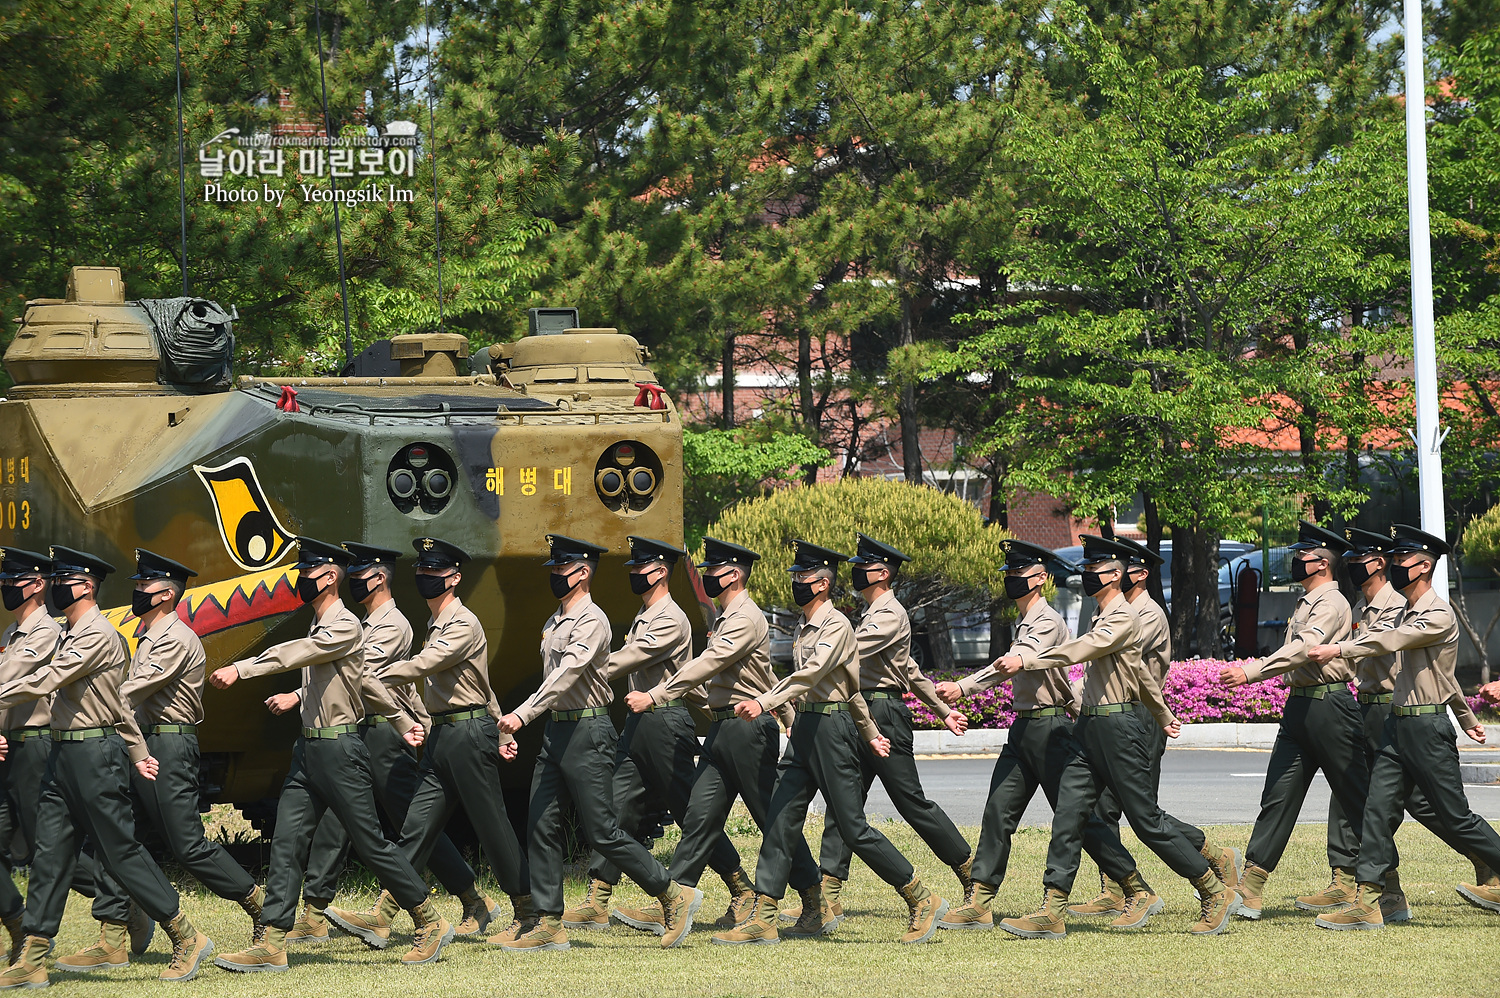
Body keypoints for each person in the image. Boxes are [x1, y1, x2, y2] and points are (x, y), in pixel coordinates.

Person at [209, 538, 453, 972]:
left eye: (308, 574)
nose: (300, 581)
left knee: (372, 843)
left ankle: (428, 920)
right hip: (308, 749)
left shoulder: (344, 626)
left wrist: (242, 668)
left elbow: (295, 654)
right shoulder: (322, 626)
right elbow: (367, 682)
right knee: (286, 841)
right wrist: (402, 721)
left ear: (330, 577)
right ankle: (273, 941)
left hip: (341, 751)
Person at [986, 535, 1240, 938]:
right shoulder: (1102, 614)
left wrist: (1026, 658)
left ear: (1116, 575)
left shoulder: (1124, 617)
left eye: (1093, 569)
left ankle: (1212, 889)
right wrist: (1163, 712)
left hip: (1118, 729)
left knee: (1146, 822)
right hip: (1089, 726)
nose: (1086, 575)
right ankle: (1052, 908)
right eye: (1085, 569)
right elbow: (1138, 671)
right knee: (1070, 814)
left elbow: (1082, 651)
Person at [711, 540, 947, 947]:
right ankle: (765, 917)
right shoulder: (806, 627)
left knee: (853, 829)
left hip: (830, 732)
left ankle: (920, 898)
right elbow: (850, 687)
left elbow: (817, 675)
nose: (796, 583)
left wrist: (767, 701)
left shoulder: (836, 625)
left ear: (822, 584)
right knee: (780, 819)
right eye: (795, 577)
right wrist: (871, 732)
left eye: (802, 578)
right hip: (806, 729)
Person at [0, 546, 213, 987]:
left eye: (64, 580)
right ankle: (34, 957)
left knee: (121, 851)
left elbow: (49, 679)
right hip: (63, 754)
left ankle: (185, 935)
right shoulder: (68, 633)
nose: (56, 587)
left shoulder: (97, 634)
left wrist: (133, 752)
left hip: (95, 754)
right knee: (51, 855)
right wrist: (138, 749)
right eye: (54, 579)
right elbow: (118, 701)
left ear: (86, 586)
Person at [498, 535, 702, 952]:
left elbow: (565, 676)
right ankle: (549, 921)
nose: (555, 575)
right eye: (553, 569)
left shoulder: (593, 620)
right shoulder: (555, 619)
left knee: (603, 832)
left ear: (583, 572)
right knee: (539, 823)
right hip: (557, 730)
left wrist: (521, 714)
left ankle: (670, 894)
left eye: (562, 569)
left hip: (588, 733)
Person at [935, 539, 1151, 931]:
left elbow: (1015, 665)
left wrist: (964, 687)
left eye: (1020, 574)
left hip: (1051, 729)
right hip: (1024, 729)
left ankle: (1135, 888)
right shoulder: (1026, 622)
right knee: (998, 812)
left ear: (1040, 579)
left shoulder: (1047, 621)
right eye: (1010, 575)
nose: (1012, 580)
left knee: (1077, 821)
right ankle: (980, 901)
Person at [291, 542, 501, 945]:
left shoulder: (393, 624)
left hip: (385, 735)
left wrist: (406, 721)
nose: (353, 586)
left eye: (359, 578)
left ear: (380, 578)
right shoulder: (363, 623)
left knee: (413, 826)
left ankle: (472, 899)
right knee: (338, 821)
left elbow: (360, 675)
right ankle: (314, 912)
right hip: (359, 731)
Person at [64, 550, 264, 972]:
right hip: (140, 743)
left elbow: (128, 693)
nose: (137, 591)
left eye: (144, 586)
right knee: (115, 840)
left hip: (167, 747)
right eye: (137, 584)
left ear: (166, 594)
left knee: (188, 845)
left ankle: (262, 908)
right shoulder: (148, 635)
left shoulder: (175, 638)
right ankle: (113, 937)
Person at [614, 538, 820, 937]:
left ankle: (813, 899)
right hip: (724, 728)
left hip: (747, 731)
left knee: (771, 818)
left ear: (734, 575)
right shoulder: (728, 617)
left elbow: (710, 664)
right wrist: (788, 711)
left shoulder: (744, 617)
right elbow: (754, 676)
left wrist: (656, 694)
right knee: (699, 818)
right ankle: (676, 897)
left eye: (713, 571)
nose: (706, 576)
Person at [1307, 524, 1500, 929]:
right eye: (1393, 559)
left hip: (1428, 729)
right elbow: (1440, 676)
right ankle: (1370, 900)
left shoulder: (1436, 614)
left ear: (1424, 567)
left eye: (1401, 560)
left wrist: (1338, 648)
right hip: (1397, 725)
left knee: (1454, 816)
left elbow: (1389, 642)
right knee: (1376, 811)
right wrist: (1468, 717)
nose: (1394, 566)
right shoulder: (1411, 610)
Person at [786, 534, 972, 931]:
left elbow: (852, 651)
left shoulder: (888, 614)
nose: (854, 572)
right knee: (843, 803)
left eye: (863, 565)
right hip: (858, 710)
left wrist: (941, 711)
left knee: (910, 803)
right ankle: (829, 894)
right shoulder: (870, 612)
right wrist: (943, 710)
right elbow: (913, 671)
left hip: (883, 712)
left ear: (882, 573)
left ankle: (971, 872)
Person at [562, 536, 747, 934]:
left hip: (666, 723)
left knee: (688, 812)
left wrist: (576, 669)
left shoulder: (669, 617)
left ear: (661, 572)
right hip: (640, 723)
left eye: (639, 568)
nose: (633, 575)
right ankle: (597, 899)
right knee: (617, 806)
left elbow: (629, 659)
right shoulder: (644, 614)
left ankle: (741, 889)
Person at [1218, 521, 1370, 919]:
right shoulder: (1307, 601)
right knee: (1278, 797)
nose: (1295, 560)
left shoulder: (1331, 603)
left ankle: (1379, 887)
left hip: (1329, 707)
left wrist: (1252, 672)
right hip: (1300, 707)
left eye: (1302, 554)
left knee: (1356, 800)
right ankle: (1250, 887)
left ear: (1321, 563)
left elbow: (1306, 649)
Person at [0, 548, 101, 961]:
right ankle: (18, 922)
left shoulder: (44, 633)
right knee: (45, 848)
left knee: (50, 848)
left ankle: (124, 901)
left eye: (12, 581)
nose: (5, 588)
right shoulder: (12, 632)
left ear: (37, 584)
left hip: (35, 747)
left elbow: (9, 680)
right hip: (10, 748)